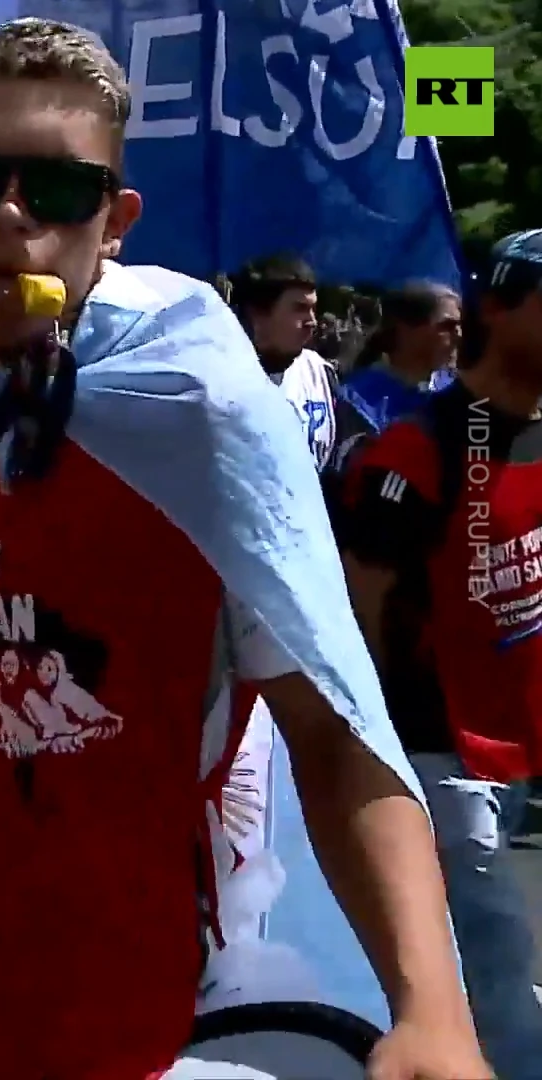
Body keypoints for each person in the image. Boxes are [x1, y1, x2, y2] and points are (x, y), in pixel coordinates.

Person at [0, 19, 483, 1079]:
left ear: (116, 222)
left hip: (146, 1020)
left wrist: (432, 1010)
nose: (10, 215)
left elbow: (331, 732)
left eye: (57, 190)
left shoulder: (199, 419)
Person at [335, 227, 542, 1080]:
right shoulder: (417, 451)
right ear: (499, 306)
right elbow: (361, 607)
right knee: (502, 980)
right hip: (444, 754)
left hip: (523, 746)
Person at [233, 254, 340, 469]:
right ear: (258, 315)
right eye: (299, 308)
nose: (312, 322)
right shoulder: (214, 379)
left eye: (313, 309)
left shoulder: (320, 373)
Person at [338, 281, 464, 438]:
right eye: (447, 326)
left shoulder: (457, 391)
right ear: (406, 330)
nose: (458, 335)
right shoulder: (358, 400)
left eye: (460, 326)